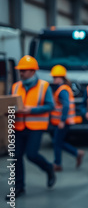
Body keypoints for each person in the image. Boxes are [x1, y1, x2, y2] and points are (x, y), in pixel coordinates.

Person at [6, 55, 56, 200]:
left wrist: (31, 110)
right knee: (16, 157)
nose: (21, 73)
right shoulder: (16, 86)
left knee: (32, 155)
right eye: (20, 71)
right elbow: (10, 103)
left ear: (33, 71)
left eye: (24, 71)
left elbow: (50, 105)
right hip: (18, 126)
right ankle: (18, 187)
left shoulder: (44, 86)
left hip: (36, 126)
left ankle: (49, 168)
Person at [50, 65, 85, 172]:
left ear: (61, 78)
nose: (54, 79)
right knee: (58, 142)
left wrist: (62, 120)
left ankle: (58, 163)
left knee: (57, 142)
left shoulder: (62, 90)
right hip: (63, 121)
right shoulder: (63, 88)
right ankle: (76, 154)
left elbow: (66, 106)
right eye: (54, 77)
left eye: (56, 77)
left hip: (63, 122)